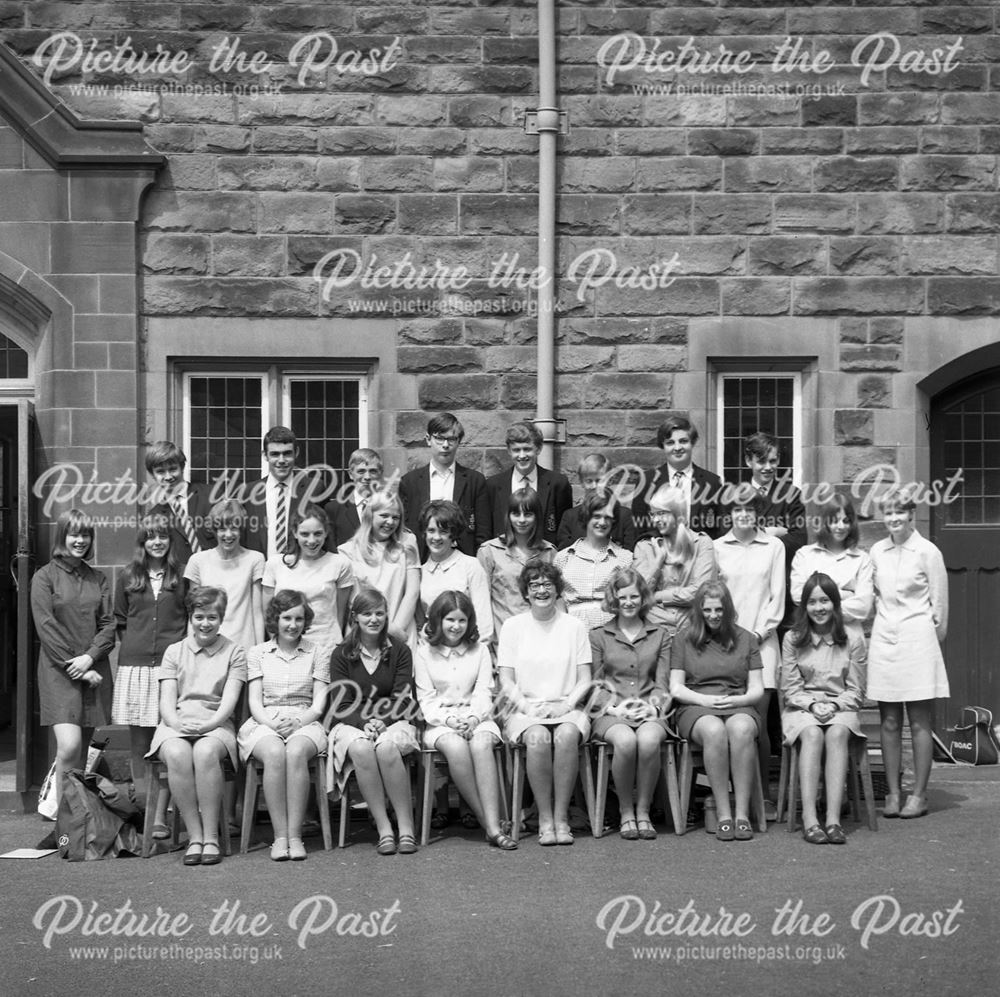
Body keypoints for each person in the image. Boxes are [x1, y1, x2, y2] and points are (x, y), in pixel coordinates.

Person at [148, 586, 247, 866]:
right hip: (175, 722)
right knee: (178, 754)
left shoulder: (234, 652)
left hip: (216, 724)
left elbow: (229, 701)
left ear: (221, 618)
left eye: (212, 617)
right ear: (191, 616)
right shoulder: (174, 652)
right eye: (200, 616)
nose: (205, 623)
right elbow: (167, 701)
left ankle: (211, 837)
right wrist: (178, 724)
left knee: (204, 753)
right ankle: (195, 837)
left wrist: (209, 725)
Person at [498, 561, 592, 846]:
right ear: (525, 593)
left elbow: (585, 679)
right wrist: (529, 709)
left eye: (547, 584)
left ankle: (561, 817)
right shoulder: (512, 627)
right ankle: (545, 818)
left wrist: (565, 707)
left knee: (565, 735)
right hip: (526, 709)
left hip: (567, 706)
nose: (541, 590)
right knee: (537, 737)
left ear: (557, 589)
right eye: (535, 585)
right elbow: (506, 680)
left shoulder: (574, 626)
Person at [414, 590, 516, 850]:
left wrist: (472, 717)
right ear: (438, 620)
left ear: (469, 622)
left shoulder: (479, 650)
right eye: (450, 620)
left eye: (462, 620)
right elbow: (426, 699)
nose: (456, 626)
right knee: (456, 747)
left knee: (481, 744)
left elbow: (484, 691)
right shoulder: (424, 653)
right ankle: (490, 824)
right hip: (441, 721)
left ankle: (491, 823)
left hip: (476, 715)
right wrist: (449, 720)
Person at [868, 492, 949, 819]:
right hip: (885, 640)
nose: (894, 518)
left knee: (918, 721)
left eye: (900, 512)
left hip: (918, 640)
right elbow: (872, 596)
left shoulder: (928, 552)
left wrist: (927, 642)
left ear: (911, 514)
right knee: (888, 721)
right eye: (889, 512)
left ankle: (919, 794)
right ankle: (892, 792)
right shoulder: (876, 551)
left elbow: (940, 608)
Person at [30, 509, 115, 807]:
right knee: (69, 746)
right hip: (59, 672)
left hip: (92, 671)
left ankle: (76, 818)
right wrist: (77, 666)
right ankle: (59, 812)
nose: (80, 540)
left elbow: (108, 626)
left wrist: (90, 659)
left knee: (82, 753)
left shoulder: (98, 578)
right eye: (74, 534)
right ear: (62, 536)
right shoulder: (44, 577)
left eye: (85, 534)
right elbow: (47, 629)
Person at [326, 587, 420, 855]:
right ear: (355, 617)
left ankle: (406, 828)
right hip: (352, 722)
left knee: (387, 747)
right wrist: (364, 723)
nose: (374, 619)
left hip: (394, 720)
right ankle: (383, 828)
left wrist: (383, 721)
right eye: (366, 614)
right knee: (361, 748)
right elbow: (341, 704)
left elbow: (403, 698)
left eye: (379, 613)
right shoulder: (341, 653)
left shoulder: (400, 650)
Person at [238, 589, 330, 861]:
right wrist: (273, 724)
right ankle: (280, 837)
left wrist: (298, 722)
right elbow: (255, 702)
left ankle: (295, 835)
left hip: (305, 719)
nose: (293, 625)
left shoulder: (318, 652)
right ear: (275, 619)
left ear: (306, 621)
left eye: (299, 619)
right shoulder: (258, 653)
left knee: (296, 752)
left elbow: (318, 704)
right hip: (266, 720)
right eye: (286, 618)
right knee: (276, 752)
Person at [669, 581, 764, 841]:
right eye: (708, 610)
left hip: (737, 702)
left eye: (719, 609)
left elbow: (756, 690)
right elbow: (676, 688)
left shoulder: (746, 638)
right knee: (714, 730)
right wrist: (705, 701)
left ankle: (741, 814)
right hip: (696, 705)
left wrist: (736, 702)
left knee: (742, 728)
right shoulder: (683, 639)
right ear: (699, 610)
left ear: (728, 609)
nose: (713, 615)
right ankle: (723, 813)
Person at [112, 513, 188, 836]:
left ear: (170, 540)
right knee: (140, 746)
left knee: (166, 742)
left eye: (162, 536)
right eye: (150, 537)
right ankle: (144, 812)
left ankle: (161, 815)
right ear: (142, 542)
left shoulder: (181, 576)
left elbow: (188, 618)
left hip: (170, 671)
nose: (157, 542)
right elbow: (120, 620)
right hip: (135, 669)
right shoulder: (129, 576)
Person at [713, 486, 785, 819]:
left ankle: (763, 796)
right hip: (725, 645)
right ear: (728, 513)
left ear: (758, 512)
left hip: (761, 643)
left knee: (757, 721)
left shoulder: (774, 546)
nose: (743, 514)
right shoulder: (716, 549)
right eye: (737, 509)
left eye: (750, 509)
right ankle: (732, 795)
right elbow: (713, 598)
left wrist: (756, 635)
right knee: (730, 722)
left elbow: (777, 598)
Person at [780, 572, 867, 845]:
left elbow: (856, 690)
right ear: (804, 606)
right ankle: (810, 818)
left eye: (825, 601)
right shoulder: (793, 639)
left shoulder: (852, 638)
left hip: (840, 706)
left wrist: (834, 705)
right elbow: (791, 690)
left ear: (835, 604)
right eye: (813, 602)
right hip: (802, 707)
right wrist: (814, 704)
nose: (819, 608)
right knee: (814, 734)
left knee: (837, 733)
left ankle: (832, 819)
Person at [589, 568, 673, 840]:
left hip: (650, 708)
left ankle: (644, 810)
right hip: (611, 711)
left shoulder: (660, 635)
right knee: (625, 741)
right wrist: (613, 708)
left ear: (643, 597)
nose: (628, 602)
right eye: (622, 596)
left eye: (634, 596)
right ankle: (626, 811)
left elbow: (662, 683)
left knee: (649, 740)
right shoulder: (598, 635)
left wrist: (655, 708)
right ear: (613, 598)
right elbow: (595, 684)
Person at [263, 504, 353, 664]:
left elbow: (340, 615)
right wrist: (281, 645)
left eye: (318, 533)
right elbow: (268, 614)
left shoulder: (340, 563)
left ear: (326, 532)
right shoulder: (275, 564)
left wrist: (337, 644)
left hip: (326, 647)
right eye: (305, 534)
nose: (312, 540)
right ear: (294, 533)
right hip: (286, 649)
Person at [398, 412, 492, 559]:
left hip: (462, 562)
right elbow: (404, 530)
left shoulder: (475, 481)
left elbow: (483, 531)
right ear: (428, 440)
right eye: (439, 439)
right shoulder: (410, 482)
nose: (445, 445)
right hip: (421, 561)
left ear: (459, 441)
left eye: (451, 439)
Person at [338, 490, 420, 647]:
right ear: (370, 515)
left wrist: (396, 631)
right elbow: (354, 601)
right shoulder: (347, 551)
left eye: (395, 517)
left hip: (401, 633)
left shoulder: (408, 543)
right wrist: (385, 629)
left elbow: (412, 592)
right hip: (364, 635)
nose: (390, 522)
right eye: (384, 515)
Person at [633, 484, 717, 637]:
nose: (656, 519)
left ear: (678, 513)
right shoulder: (644, 546)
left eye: (662, 513)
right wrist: (657, 563)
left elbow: (701, 592)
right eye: (653, 514)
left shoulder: (702, 543)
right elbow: (637, 594)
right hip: (653, 634)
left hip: (693, 631)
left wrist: (657, 596)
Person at [477, 488, 557, 645]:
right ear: (508, 516)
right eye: (516, 514)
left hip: (542, 640)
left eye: (528, 514)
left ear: (537, 517)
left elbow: (557, 600)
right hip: (503, 641)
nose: (521, 520)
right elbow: (481, 604)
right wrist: (486, 646)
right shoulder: (489, 551)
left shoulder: (549, 552)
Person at [184, 499, 265, 653]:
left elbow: (257, 612)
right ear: (214, 531)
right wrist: (192, 651)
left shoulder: (255, 559)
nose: (228, 534)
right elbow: (193, 613)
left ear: (241, 529)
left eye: (234, 528)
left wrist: (259, 653)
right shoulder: (198, 561)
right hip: (207, 648)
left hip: (243, 649)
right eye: (222, 528)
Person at [630, 415, 724, 541]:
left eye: (683, 441)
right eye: (670, 443)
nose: (677, 448)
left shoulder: (712, 482)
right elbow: (638, 528)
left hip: (698, 555)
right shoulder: (646, 482)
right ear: (663, 445)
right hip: (658, 554)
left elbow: (718, 531)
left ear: (693, 442)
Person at [789, 495, 873, 632]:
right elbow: (798, 596)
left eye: (846, 521)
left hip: (849, 638)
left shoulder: (862, 559)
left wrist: (816, 601)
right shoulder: (804, 555)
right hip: (812, 638)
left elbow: (864, 607)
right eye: (834, 521)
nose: (840, 526)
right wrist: (846, 595)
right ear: (824, 522)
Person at [554, 488, 633, 630]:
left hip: (611, 633)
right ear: (586, 517)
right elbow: (557, 596)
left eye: (607, 517)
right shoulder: (564, 557)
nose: (602, 522)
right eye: (597, 516)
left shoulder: (624, 558)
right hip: (572, 630)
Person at [417, 499, 493, 645]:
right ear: (424, 533)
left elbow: (484, 620)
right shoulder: (421, 572)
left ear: (453, 534)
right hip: (434, 652)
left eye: (443, 531)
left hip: (468, 651)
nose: (436, 537)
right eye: (431, 531)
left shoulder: (471, 566)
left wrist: (478, 651)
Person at [485, 421, 572, 546]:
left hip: (544, 558)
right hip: (504, 557)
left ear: (538, 448)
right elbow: (487, 530)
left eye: (527, 449)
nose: (522, 455)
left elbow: (564, 531)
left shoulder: (557, 484)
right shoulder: (493, 485)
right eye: (516, 450)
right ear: (509, 451)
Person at [143, 440, 216, 561]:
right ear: (153, 475)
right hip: (182, 576)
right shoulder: (155, 515)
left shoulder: (211, 495)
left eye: (172, 469)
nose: (168, 476)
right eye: (161, 471)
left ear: (182, 467)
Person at [244, 426, 307, 560]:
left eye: (287, 453)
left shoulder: (313, 489)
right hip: (261, 572)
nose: (281, 460)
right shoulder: (249, 492)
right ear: (265, 455)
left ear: (296, 452)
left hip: (302, 573)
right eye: (275, 454)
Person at [556, 453, 636, 551]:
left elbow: (630, 552)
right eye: (589, 481)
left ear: (610, 481)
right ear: (582, 482)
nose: (594, 486)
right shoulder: (570, 517)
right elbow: (564, 553)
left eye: (599, 480)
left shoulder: (624, 516)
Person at [325, 448, 384, 549]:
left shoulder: (389, 507)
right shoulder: (334, 509)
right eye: (361, 471)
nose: (367, 477)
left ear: (380, 474)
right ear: (351, 474)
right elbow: (330, 549)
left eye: (373, 471)